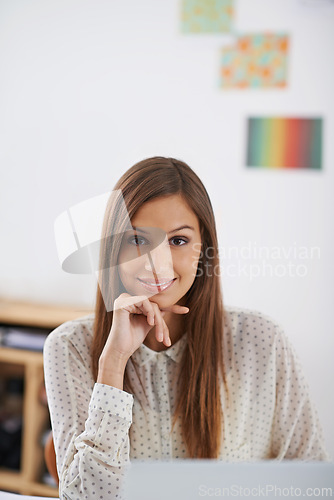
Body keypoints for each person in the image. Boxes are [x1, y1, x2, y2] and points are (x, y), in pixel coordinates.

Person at [44, 156, 329, 500]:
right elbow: (85, 497)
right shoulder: (69, 346)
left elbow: (310, 482)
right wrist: (113, 364)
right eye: (137, 239)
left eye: (178, 241)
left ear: (203, 250)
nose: (157, 262)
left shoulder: (262, 343)